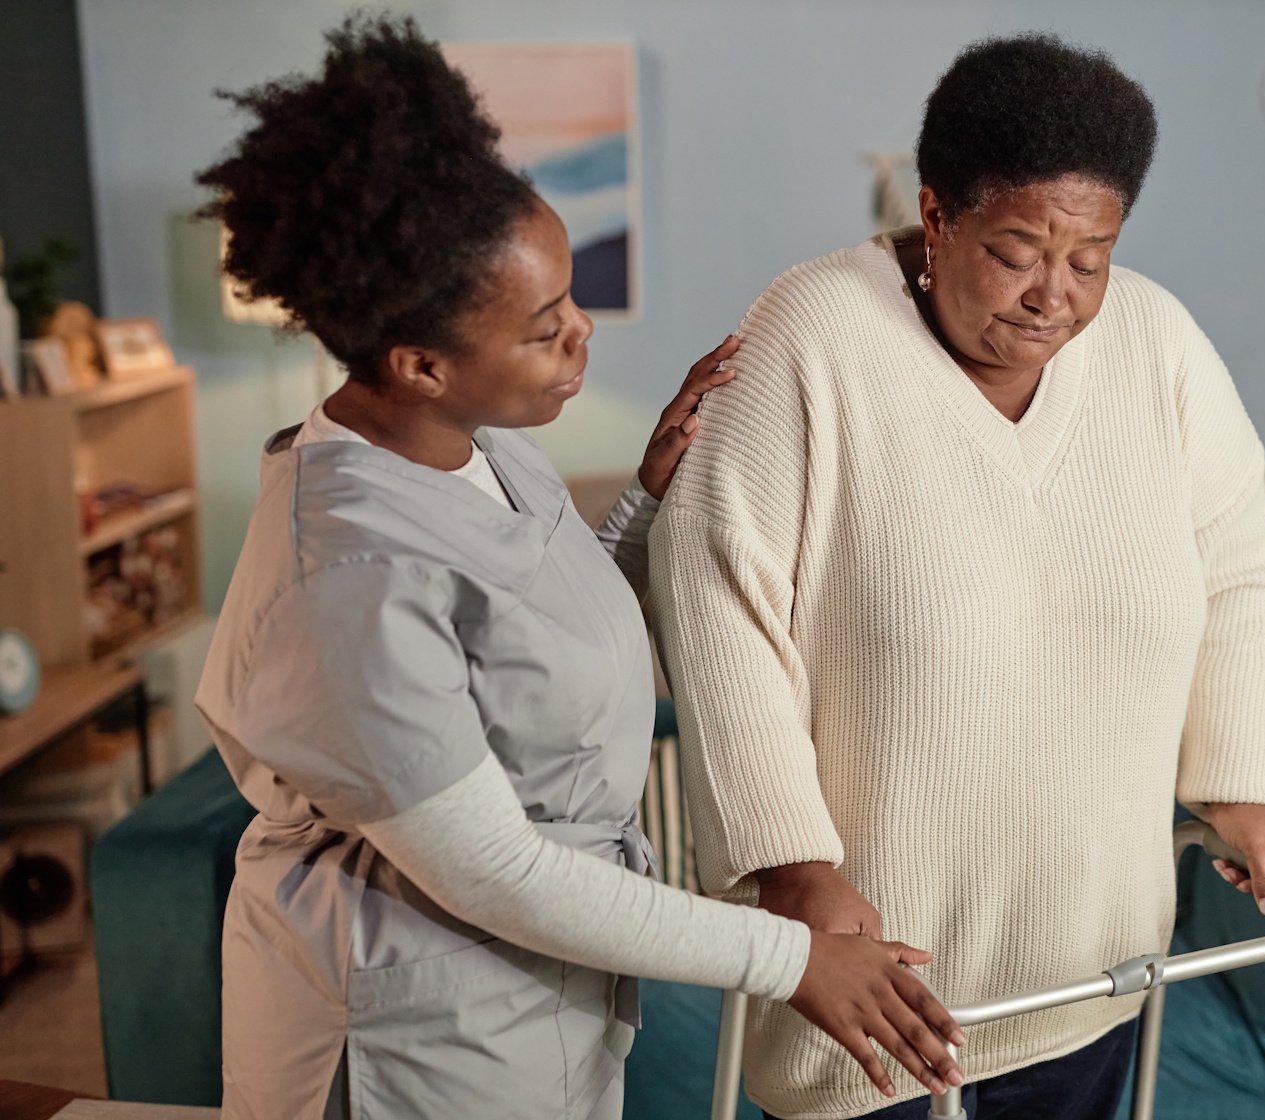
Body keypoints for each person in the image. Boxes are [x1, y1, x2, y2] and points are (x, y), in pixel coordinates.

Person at [191, 16, 963, 1120]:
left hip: (534, 1001)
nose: (583, 334)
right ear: (420, 362)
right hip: (413, 1048)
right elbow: (498, 871)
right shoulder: (346, 576)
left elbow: (522, 639)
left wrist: (648, 497)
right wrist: (787, 957)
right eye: (546, 327)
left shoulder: (477, 445)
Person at [649, 33, 1265, 1120]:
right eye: (1017, 251)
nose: (1054, 296)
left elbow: (1237, 568)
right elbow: (717, 597)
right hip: (877, 987)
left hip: (1093, 963)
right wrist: (789, 863)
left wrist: (1239, 784)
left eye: (1089, 258)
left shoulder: (1159, 344)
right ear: (938, 213)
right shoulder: (809, 333)